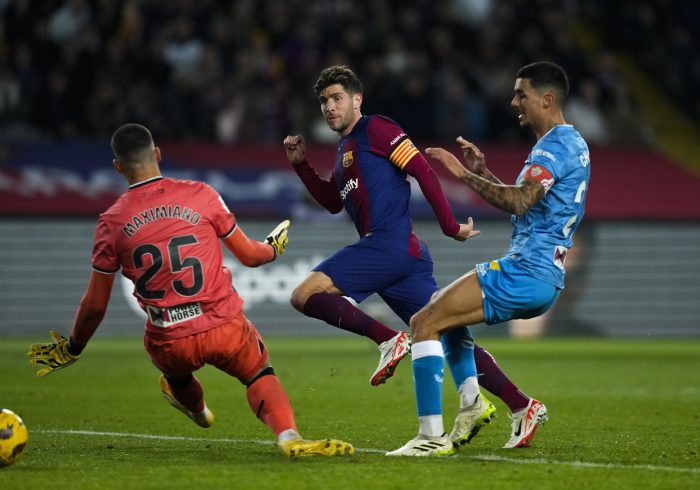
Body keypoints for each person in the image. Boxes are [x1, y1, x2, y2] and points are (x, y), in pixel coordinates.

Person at [28, 123, 354, 458]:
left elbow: (95, 304)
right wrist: (272, 248)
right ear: (157, 154)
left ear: (118, 167)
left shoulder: (111, 222)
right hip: (223, 325)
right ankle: (289, 437)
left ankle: (197, 410)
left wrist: (74, 347)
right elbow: (251, 257)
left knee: (177, 375)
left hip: (169, 338)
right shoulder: (201, 194)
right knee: (258, 372)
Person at [283, 65, 545, 450]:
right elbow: (333, 203)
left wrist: (449, 225)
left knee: (304, 294)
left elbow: (421, 168)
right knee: (447, 330)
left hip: (387, 245)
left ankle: (389, 341)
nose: (329, 107)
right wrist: (302, 166)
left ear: (357, 99)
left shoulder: (377, 128)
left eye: (337, 98)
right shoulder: (345, 151)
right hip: (402, 258)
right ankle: (522, 406)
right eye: (323, 101)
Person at [389, 61, 590, 456]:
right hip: (540, 274)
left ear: (547, 100)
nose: (514, 101)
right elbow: (526, 207)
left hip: (527, 271)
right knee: (444, 321)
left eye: (522, 94)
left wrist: (463, 176)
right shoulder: (570, 145)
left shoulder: (555, 145)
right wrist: (486, 173)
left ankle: (430, 436)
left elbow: (519, 199)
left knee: (423, 322)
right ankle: (511, 405)